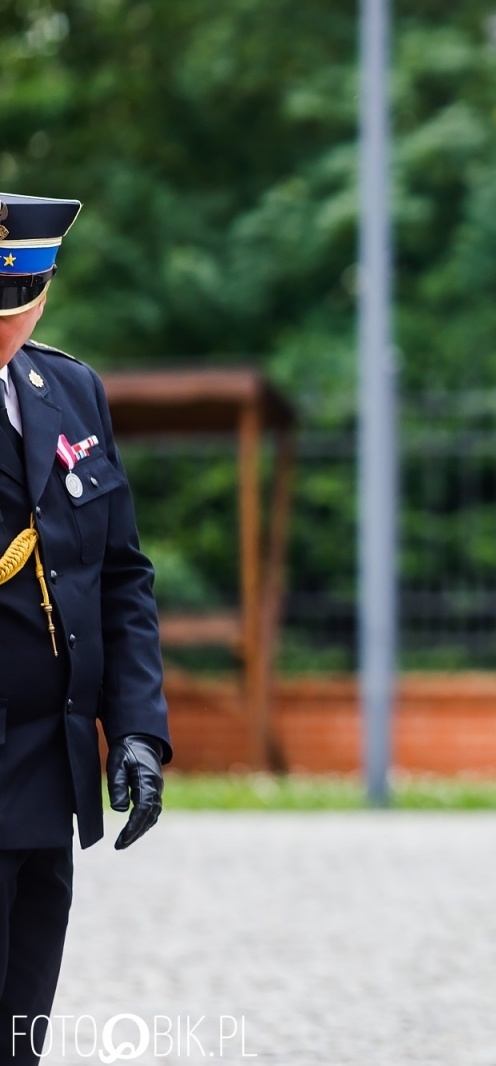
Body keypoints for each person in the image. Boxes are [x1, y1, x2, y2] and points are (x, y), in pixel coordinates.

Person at [0, 193, 169, 1065]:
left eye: (14, 304)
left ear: (44, 291)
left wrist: (136, 730)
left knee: (22, 1025)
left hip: (45, 772)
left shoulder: (68, 391)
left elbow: (118, 577)